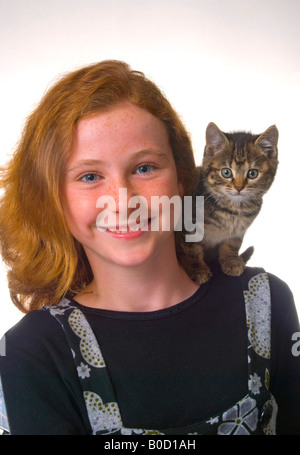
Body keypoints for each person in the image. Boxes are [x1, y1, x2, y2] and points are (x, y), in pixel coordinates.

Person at [0, 60, 299, 435]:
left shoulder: (267, 302)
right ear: (53, 199)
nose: (123, 201)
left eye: (144, 168)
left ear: (182, 177)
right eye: (90, 176)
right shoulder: (31, 354)